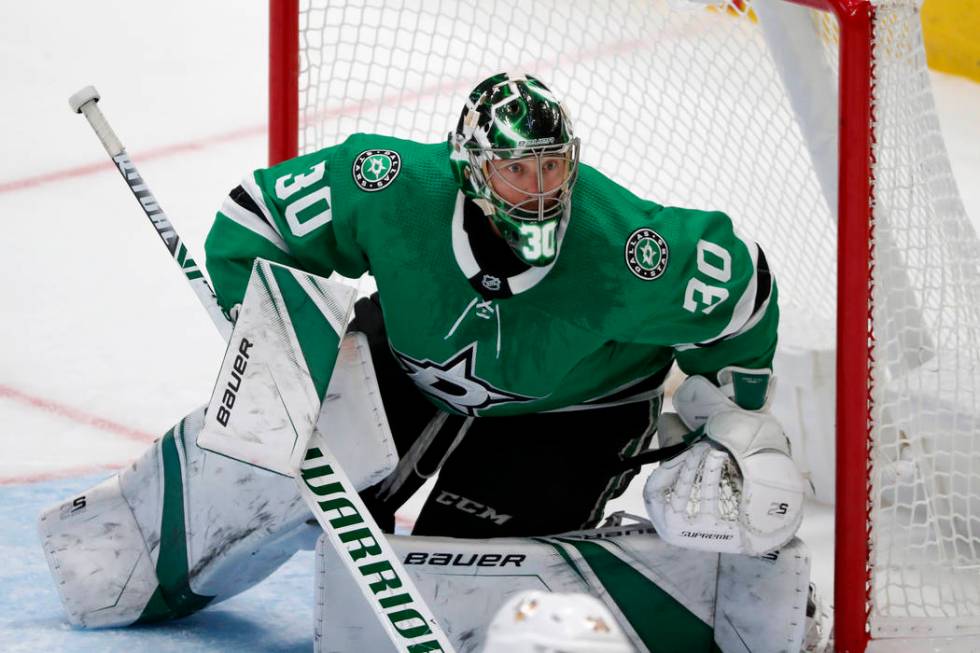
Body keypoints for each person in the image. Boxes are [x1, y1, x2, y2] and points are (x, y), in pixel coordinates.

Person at [39, 73, 805, 632]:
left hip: (573, 410)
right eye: (516, 168)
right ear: (472, 170)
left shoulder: (631, 249)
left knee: (461, 584)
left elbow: (745, 297)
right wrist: (273, 352)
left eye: (552, 165)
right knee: (263, 463)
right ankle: (140, 552)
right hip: (409, 364)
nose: (540, 190)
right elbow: (255, 224)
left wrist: (723, 416)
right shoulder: (390, 182)